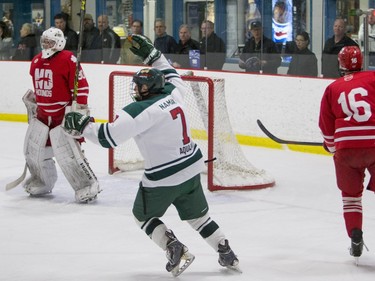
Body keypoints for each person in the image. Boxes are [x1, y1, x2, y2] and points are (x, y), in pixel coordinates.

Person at [62, 34, 240, 276]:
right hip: (191, 166)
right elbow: (170, 72)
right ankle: (225, 250)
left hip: (163, 177)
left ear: (148, 89)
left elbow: (107, 137)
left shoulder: (138, 111)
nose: (135, 88)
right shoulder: (174, 93)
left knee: (142, 215)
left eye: (139, 85)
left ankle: (172, 245)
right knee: (199, 217)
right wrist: (154, 56)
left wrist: (82, 125)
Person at [24, 27, 100, 203]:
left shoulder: (68, 59)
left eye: (49, 42)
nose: (45, 44)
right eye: (44, 41)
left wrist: (79, 109)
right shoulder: (36, 61)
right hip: (43, 117)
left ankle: (87, 186)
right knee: (35, 152)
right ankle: (42, 182)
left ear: (59, 42)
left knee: (68, 154)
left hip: (61, 117)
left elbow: (82, 86)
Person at [318, 46, 373, 263]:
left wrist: (332, 146)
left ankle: (355, 234)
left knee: (351, 197)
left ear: (340, 64)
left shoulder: (333, 88)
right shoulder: (373, 78)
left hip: (347, 148)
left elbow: (326, 126)